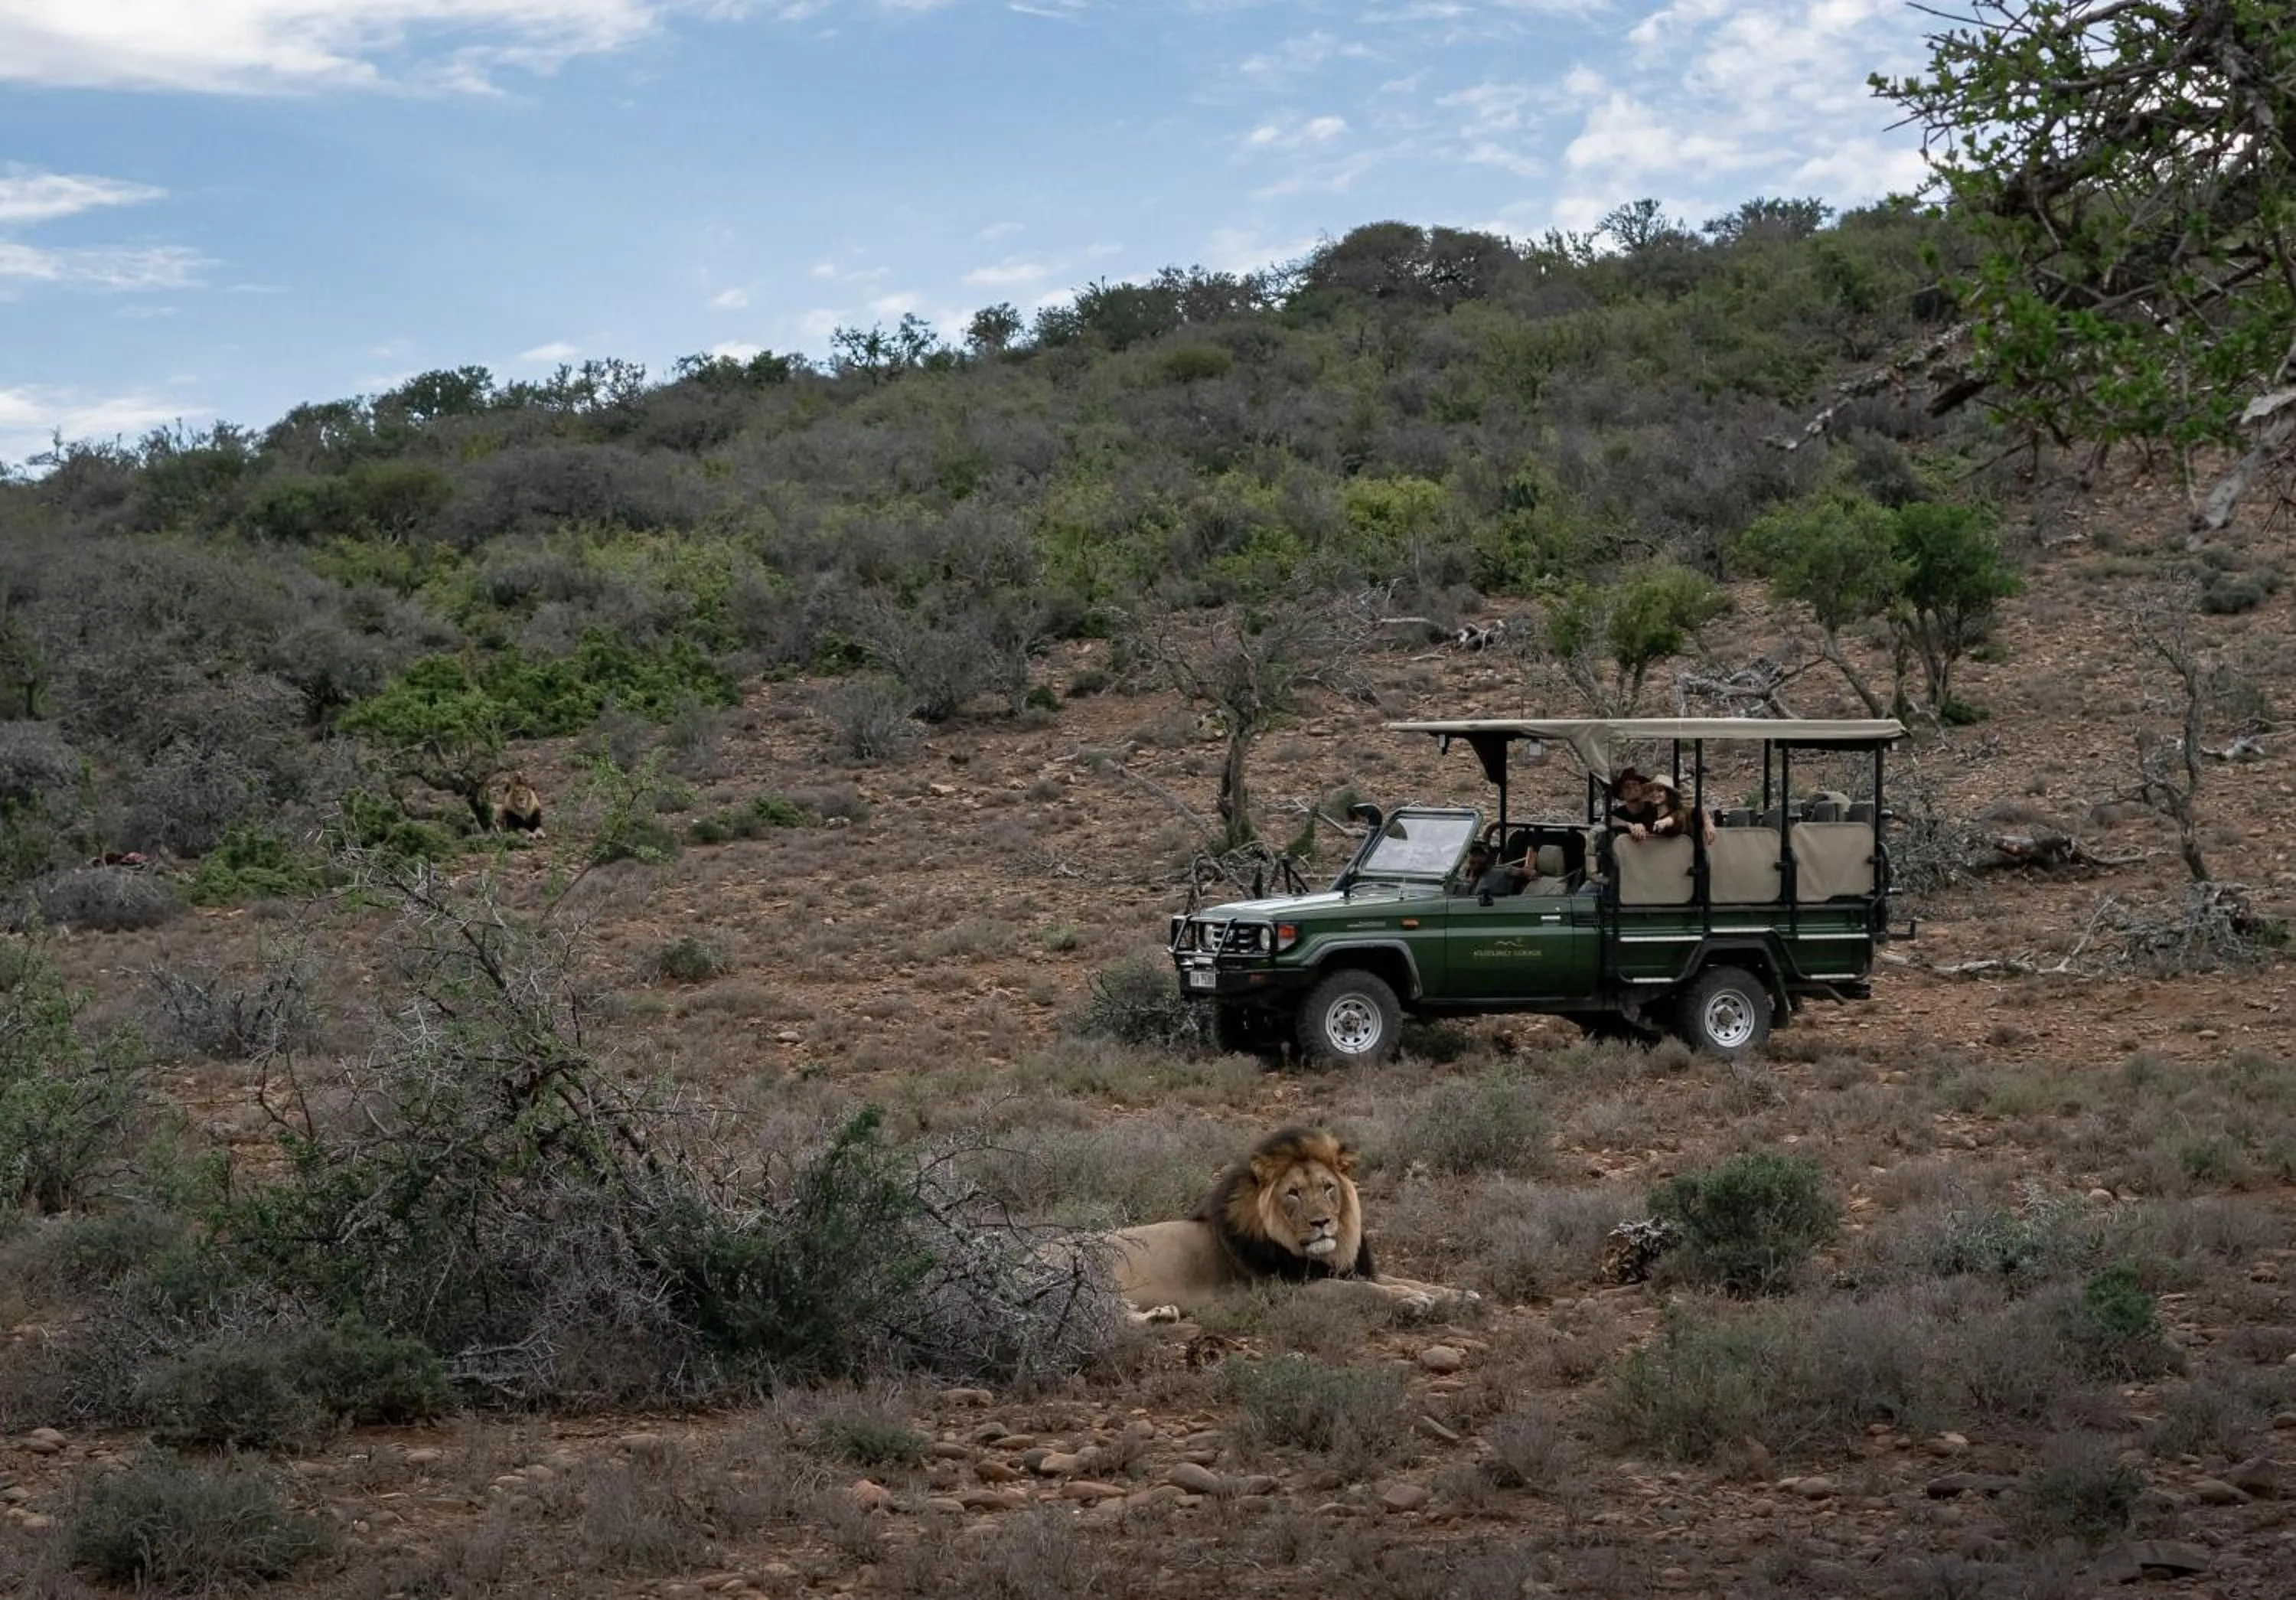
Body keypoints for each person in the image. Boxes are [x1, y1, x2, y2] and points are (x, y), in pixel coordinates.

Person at [1643, 772, 1719, 847]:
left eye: (1660, 790)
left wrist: (1708, 823)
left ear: (1669, 793)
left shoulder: (1681, 811)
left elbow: (1678, 818)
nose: (1654, 794)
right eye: (1651, 790)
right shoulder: (1650, 814)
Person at [1460, 840, 1535, 898]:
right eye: (1474, 855)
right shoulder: (1466, 877)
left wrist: (1529, 873)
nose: (1476, 859)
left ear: (1488, 858)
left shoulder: (1500, 871)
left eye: (1481, 856)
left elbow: (1521, 872)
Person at [1608, 767, 1662, 839]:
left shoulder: (1655, 810)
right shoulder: (1618, 813)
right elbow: (1607, 820)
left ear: (1643, 789)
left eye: (1635, 784)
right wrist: (1629, 825)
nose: (1631, 788)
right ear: (1621, 794)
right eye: (1626, 786)